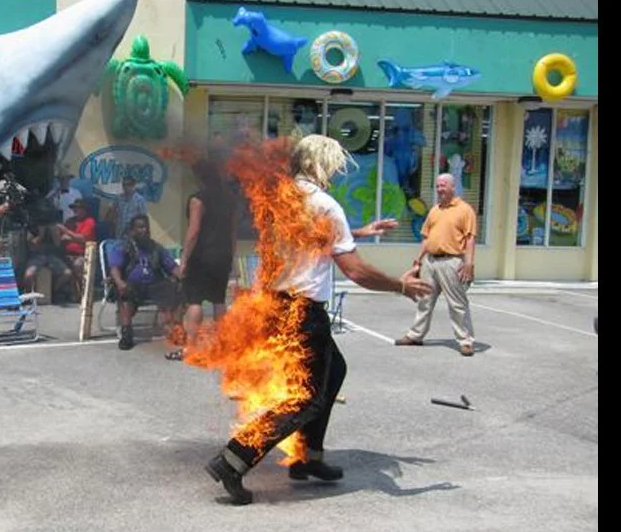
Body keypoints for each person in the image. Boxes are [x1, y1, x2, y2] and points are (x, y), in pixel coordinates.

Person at [205, 135, 431, 505]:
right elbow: (356, 271)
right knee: (305, 398)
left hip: (275, 305)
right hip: (301, 310)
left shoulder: (284, 198)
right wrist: (400, 287)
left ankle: (308, 458)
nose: (337, 173)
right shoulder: (326, 205)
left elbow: (307, 240)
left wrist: (358, 233)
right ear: (320, 164)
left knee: (335, 371)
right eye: (335, 166)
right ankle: (234, 459)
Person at [395, 173, 479, 356]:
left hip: (452, 261)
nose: (439, 189)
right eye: (437, 186)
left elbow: (470, 239)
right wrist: (419, 259)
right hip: (430, 262)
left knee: (457, 304)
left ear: (452, 187)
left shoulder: (465, 210)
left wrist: (469, 263)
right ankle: (415, 335)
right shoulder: (434, 210)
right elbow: (426, 237)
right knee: (424, 301)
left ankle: (466, 341)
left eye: (443, 186)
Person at [168, 157, 238, 361]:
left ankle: (190, 348)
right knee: (218, 300)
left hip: (202, 255)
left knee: (194, 300)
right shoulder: (229, 199)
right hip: (222, 256)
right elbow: (233, 232)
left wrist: (184, 259)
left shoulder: (197, 199)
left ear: (200, 176)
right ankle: (223, 346)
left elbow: (194, 231)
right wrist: (231, 258)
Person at [107, 214, 181, 350]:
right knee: (125, 294)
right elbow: (114, 268)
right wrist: (119, 282)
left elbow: (172, 267)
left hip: (154, 285)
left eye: (146, 227)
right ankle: (127, 333)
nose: (145, 230)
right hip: (131, 285)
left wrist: (183, 278)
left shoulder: (156, 248)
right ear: (132, 231)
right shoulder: (124, 247)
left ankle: (173, 330)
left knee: (173, 288)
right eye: (140, 227)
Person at [57, 197, 97, 301]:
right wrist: (72, 236)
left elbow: (83, 239)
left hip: (83, 255)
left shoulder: (90, 221)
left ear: (84, 210)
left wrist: (67, 232)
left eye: (79, 208)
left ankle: (81, 294)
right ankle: (59, 292)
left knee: (77, 265)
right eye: (74, 208)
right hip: (66, 254)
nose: (76, 210)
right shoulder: (70, 221)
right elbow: (61, 238)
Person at [23, 223, 74, 300]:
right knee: (29, 275)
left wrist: (54, 232)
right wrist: (41, 234)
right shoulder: (32, 228)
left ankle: (53, 290)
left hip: (52, 257)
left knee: (67, 273)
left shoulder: (55, 228)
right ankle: (28, 295)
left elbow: (58, 244)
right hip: (37, 257)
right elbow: (32, 247)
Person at [104, 176, 148, 240]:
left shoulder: (140, 200)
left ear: (133, 186)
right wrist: (108, 223)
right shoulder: (119, 198)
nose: (126, 187)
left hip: (132, 230)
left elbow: (143, 217)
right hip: (119, 230)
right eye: (124, 185)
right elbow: (112, 210)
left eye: (128, 184)